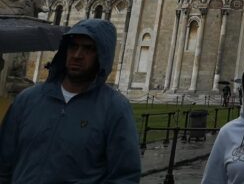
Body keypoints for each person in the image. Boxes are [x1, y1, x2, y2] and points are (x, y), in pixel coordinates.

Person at [0, 17, 141, 183]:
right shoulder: (28, 99)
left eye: (88, 49)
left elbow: (125, 176)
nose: (77, 55)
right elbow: (3, 162)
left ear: (102, 55)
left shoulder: (114, 108)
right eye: (73, 46)